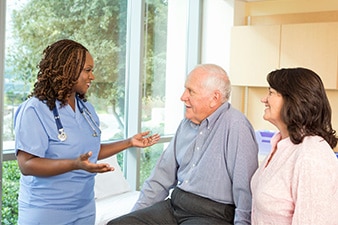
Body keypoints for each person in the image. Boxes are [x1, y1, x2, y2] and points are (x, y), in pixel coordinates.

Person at [14, 39, 160, 225]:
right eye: (87, 70)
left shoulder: (86, 110)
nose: (92, 76)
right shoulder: (34, 110)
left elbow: (91, 151)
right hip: (46, 210)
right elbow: (27, 164)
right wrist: (75, 164)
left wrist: (129, 142)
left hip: (84, 208)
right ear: (67, 69)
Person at [108, 63, 259, 225]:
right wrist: (138, 215)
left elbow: (245, 190)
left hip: (213, 214)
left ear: (214, 98)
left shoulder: (237, 126)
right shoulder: (186, 124)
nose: (183, 97)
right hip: (175, 205)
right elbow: (161, 177)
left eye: (191, 91)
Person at [251, 67, 338, 224]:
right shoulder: (281, 144)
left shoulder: (312, 156)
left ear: (292, 100)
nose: (264, 99)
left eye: (270, 93)